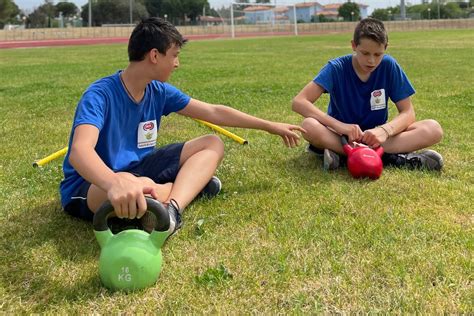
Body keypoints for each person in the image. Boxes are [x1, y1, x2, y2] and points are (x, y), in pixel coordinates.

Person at [60, 17, 305, 236]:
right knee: (133, 185)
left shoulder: (158, 91)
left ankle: (172, 209)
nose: (177, 63)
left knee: (212, 143)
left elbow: (213, 111)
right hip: (93, 184)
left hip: (141, 170)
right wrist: (115, 182)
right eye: (174, 55)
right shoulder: (99, 95)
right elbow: (81, 152)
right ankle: (185, 187)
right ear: (154, 56)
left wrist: (268, 125)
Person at [292, 18, 443, 171]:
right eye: (365, 53)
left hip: (378, 138)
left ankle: (345, 155)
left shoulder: (389, 66)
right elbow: (299, 102)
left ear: (386, 48)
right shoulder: (336, 68)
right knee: (309, 126)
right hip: (342, 137)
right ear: (353, 46)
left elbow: (408, 112)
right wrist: (341, 126)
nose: (371, 61)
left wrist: (384, 131)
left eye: (378, 54)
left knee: (433, 129)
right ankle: (391, 158)